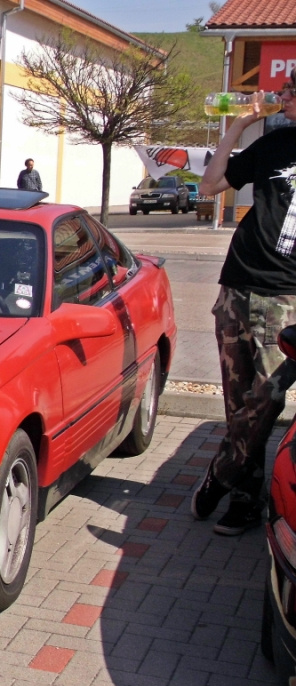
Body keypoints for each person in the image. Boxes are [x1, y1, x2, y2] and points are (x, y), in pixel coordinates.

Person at [191, 71, 296, 536]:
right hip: (238, 285)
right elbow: (210, 186)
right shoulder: (274, 145)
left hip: (288, 297)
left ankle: (222, 472)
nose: (283, 97)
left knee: (268, 398)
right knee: (239, 404)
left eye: (291, 92)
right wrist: (239, 124)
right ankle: (244, 501)